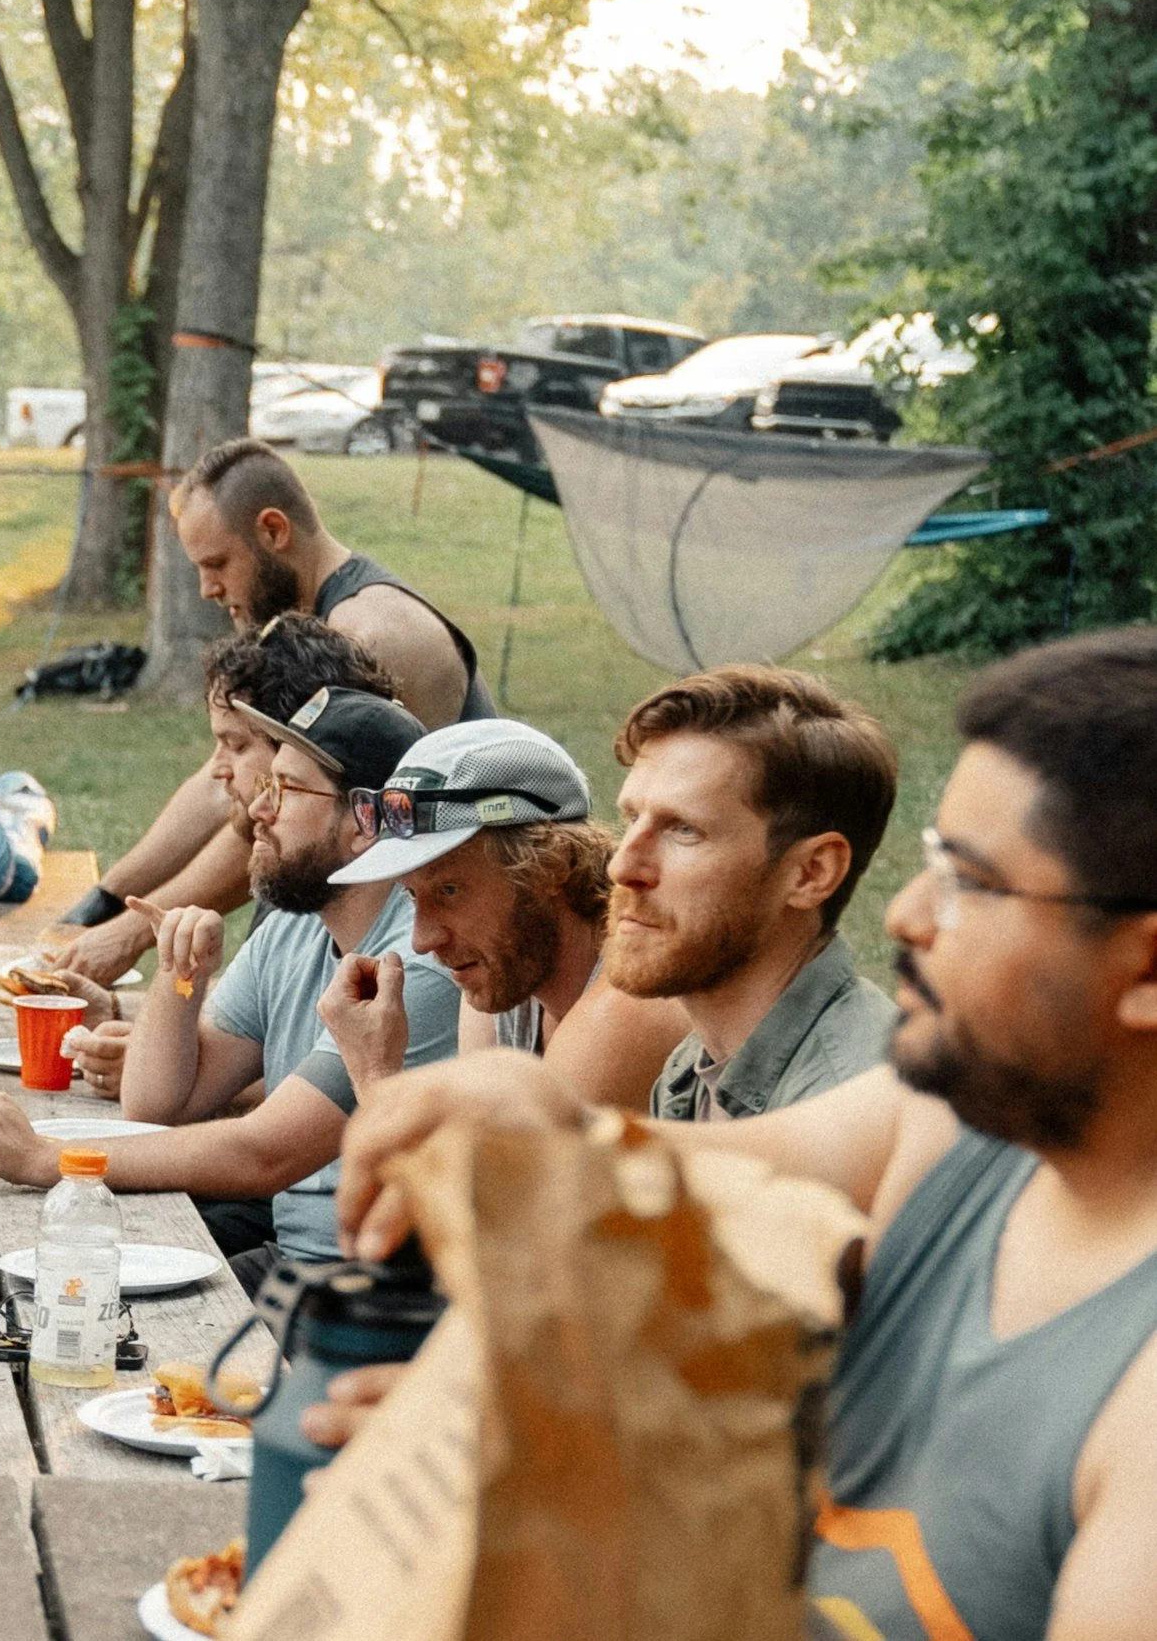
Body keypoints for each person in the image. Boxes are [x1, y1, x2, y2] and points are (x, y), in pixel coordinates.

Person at [325, 627, 1157, 1641]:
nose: (902, 915)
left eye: (971, 882)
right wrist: (518, 1114)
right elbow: (715, 1177)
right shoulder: (954, 1117)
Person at [0, 677, 463, 1289]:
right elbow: (159, 1103)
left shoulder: (412, 963)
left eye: (286, 789)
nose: (258, 808)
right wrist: (180, 978)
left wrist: (47, 1159)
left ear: (364, 821)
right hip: (294, 1256)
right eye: (267, 783)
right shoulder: (294, 927)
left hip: (361, 1289)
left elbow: (263, 1155)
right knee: (41, 1278)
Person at [57, 438, 494, 985]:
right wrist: (100, 902)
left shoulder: (369, 635)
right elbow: (223, 786)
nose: (207, 589)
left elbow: (280, 811)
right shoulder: (301, 630)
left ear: (273, 531)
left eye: (217, 563)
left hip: (428, 945)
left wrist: (130, 932)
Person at [316, 719, 691, 1112]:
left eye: (449, 890)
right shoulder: (506, 974)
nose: (422, 940)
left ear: (551, 865)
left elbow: (481, 1175)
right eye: (412, 895)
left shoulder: (623, 1013)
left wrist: (374, 1070)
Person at [606, 664, 899, 1121]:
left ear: (809, 873)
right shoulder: (692, 1069)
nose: (622, 866)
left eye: (684, 830)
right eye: (631, 819)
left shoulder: (848, 1107)